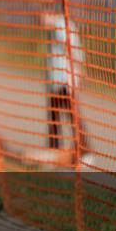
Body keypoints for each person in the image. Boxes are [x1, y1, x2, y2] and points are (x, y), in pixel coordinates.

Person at [41, 10, 93, 167]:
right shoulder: (59, 25)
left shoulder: (61, 25)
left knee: (73, 117)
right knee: (54, 117)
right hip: (56, 79)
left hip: (65, 79)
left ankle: (86, 152)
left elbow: (72, 47)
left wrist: (80, 68)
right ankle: (54, 152)